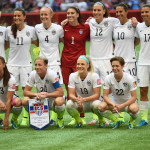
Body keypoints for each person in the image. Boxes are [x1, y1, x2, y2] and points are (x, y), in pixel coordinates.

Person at [5, 8, 37, 126]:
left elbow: (36, 42)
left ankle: (25, 117)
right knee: (12, 92)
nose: (16, 18)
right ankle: (14, 117)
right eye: (15, 16)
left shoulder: (31, 30)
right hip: (12, 65)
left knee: (26, 91)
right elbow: (6, 45)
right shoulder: (8, 30)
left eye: (19, 16)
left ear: (24, 17)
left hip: (26, 65)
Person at [34, 6, 64, 126]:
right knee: (41, 89)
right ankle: (43, 117)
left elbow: (61, 41)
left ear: (51, 15)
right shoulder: (37, 28)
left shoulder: (58, 28)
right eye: (42, 14)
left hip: (54, 63)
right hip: (41, 65)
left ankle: (54, 116)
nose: (43, 17)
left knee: (56, 89)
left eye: (46, 14)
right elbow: (36, 42)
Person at [61, 6, 90, 125]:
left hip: (79, 63)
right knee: (69, 89)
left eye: (72, 13)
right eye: (68, 13)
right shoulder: (63, 27)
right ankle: (74, 116)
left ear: (78, 14)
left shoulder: (86, 27)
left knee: (81, 88)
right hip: (66, 61)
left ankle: (82, 115)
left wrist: (91, 20)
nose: (70, 15)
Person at [22, 56, 66, 128]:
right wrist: (36, 94)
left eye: (39, 65)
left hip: (52, 100)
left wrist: (47, 95)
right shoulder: (33, 74)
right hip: (40, 99)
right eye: (35, 65)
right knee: (24, 100)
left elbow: (60, 92)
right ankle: (36, 119)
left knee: (60, 101)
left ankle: (60, 119)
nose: (37, 67)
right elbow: (25, 92)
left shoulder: (51, 74)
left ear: (46, 65)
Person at [99, 56, 139, 129]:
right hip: (114, 104)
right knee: (101, 107)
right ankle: (116, 120)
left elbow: (134, 97)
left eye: (117, 66)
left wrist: (122, 106)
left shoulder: (129, 78)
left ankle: (131, 121)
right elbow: (105, 96)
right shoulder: (108, 78)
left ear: (122, 66)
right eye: (113, 66)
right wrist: (113, 104)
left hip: (128, 104)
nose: (114, 68)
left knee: (135, 109)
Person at [67, 55, 105, 128]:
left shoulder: (94, 75)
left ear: (88, 65)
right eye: (78, 64)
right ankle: (79, 121)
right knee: (69, 104)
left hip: (92, 102)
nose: (79, 66)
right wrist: (77, 100)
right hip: (80, 103)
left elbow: (97, 95)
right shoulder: (72, 76)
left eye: (82, 64)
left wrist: (83, 99)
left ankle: (101, 119)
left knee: (97, 105)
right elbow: (71, 95)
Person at [113, 3, 140, 82]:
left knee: (131, 85)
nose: (118, 14)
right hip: (117, 60)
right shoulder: (114, 26)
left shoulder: (133, 24)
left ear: (126, 11)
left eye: (121, 11)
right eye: (117, 12)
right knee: (117, 85)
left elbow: (137, 42)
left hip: (130, 60)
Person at [136, 4, 150, 127]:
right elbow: (135, 41)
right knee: (143, 91)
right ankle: (144, 118)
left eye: (147, 12)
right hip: (143, 63)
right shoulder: (139, 26)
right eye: (142, 12)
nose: (144, 14)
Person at [0, 56, 22, 130]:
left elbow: (9, 100)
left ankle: (14, 119)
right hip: (0, 103)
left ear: (3, 65)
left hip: (8, 103)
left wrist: (6, 119)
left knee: (18, 102)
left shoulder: (10, 79)